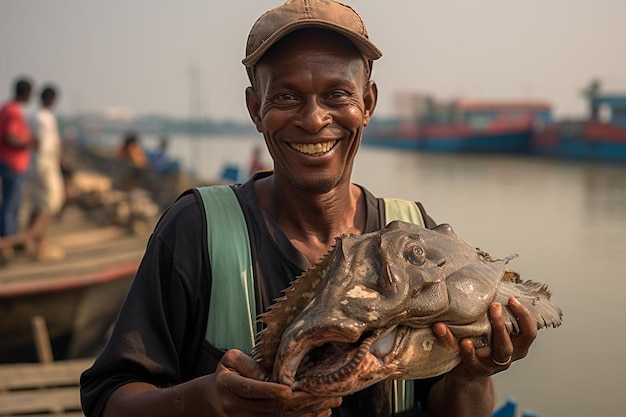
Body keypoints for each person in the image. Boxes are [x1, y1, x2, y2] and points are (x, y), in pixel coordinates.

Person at [80, 1, 538, 416]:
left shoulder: (421, 237)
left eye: (337, 94)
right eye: (286, 97)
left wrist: (472, 373)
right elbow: (109, 399)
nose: (314, 118)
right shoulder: (197, 232)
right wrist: (204, 400)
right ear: (255, 109)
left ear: (368, 103)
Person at [25, 85, 66, 260]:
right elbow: (45, 143)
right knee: (50, 203)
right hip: (45, 164)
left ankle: (32, 241)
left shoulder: (33, 115)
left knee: (38, 203)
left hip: (36, 164)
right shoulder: (45, 117)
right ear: (51, 99)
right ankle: (36, 241)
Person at [0, 77, 34, 263]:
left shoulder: (7, 108)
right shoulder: (13, 111)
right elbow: (11, 137)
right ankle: (8, 242)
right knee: (11, 205)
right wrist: (29, 141)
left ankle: (7, 239)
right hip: (12, 163)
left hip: (9, 162)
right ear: (25, 93)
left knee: (8, 204)